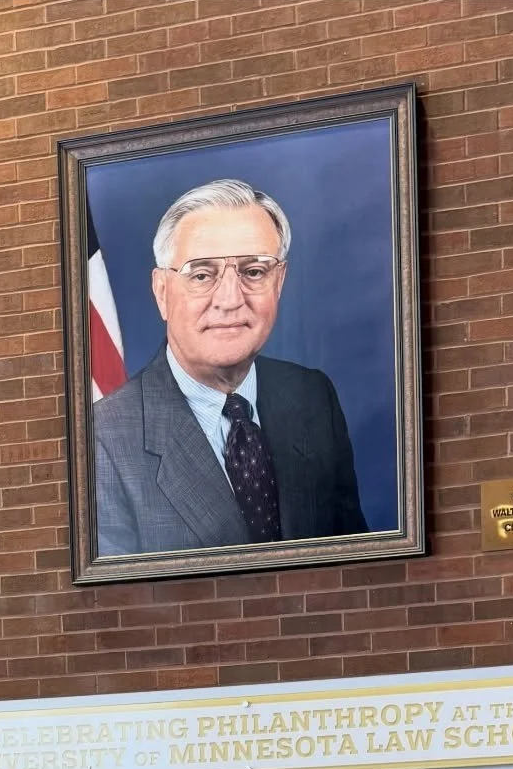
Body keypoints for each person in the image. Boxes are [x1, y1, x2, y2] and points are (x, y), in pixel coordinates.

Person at [92, 178, 369, 557]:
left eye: (253, 271)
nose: (229, 299)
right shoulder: (103, 437)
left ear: (279, 282)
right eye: (202, 274)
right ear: (161, 292)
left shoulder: (312, 396)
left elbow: (354, 565)